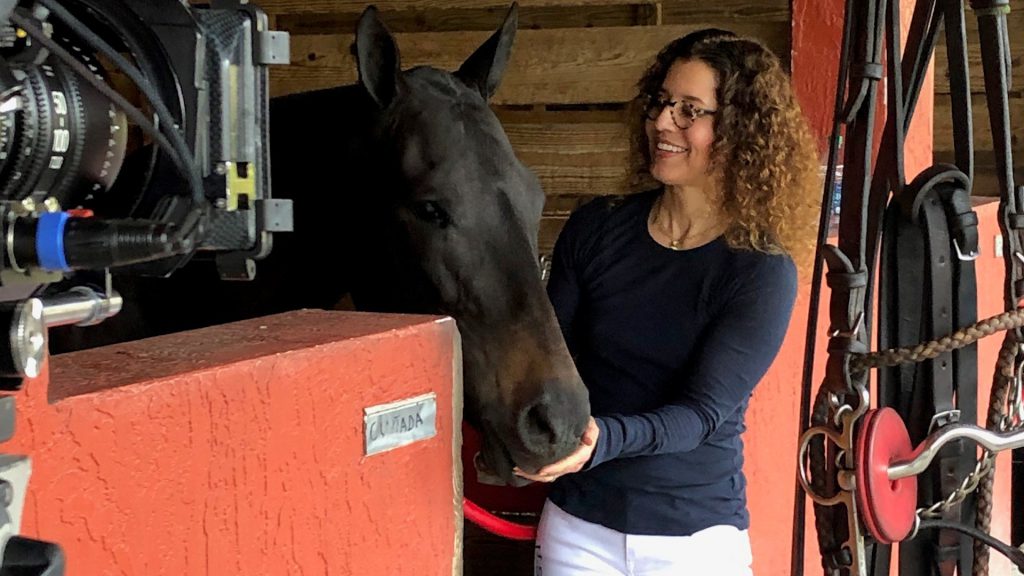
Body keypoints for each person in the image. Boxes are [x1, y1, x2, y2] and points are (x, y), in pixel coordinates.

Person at [514, 28, 821, 575]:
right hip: (578, 526)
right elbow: (546, 355)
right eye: (661, 102)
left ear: (742, 131)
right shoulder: (597, 228)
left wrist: (601, 438)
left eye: (689, 110)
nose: (661, 122)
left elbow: (701, 414)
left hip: (694, 539)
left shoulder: (760, 270)